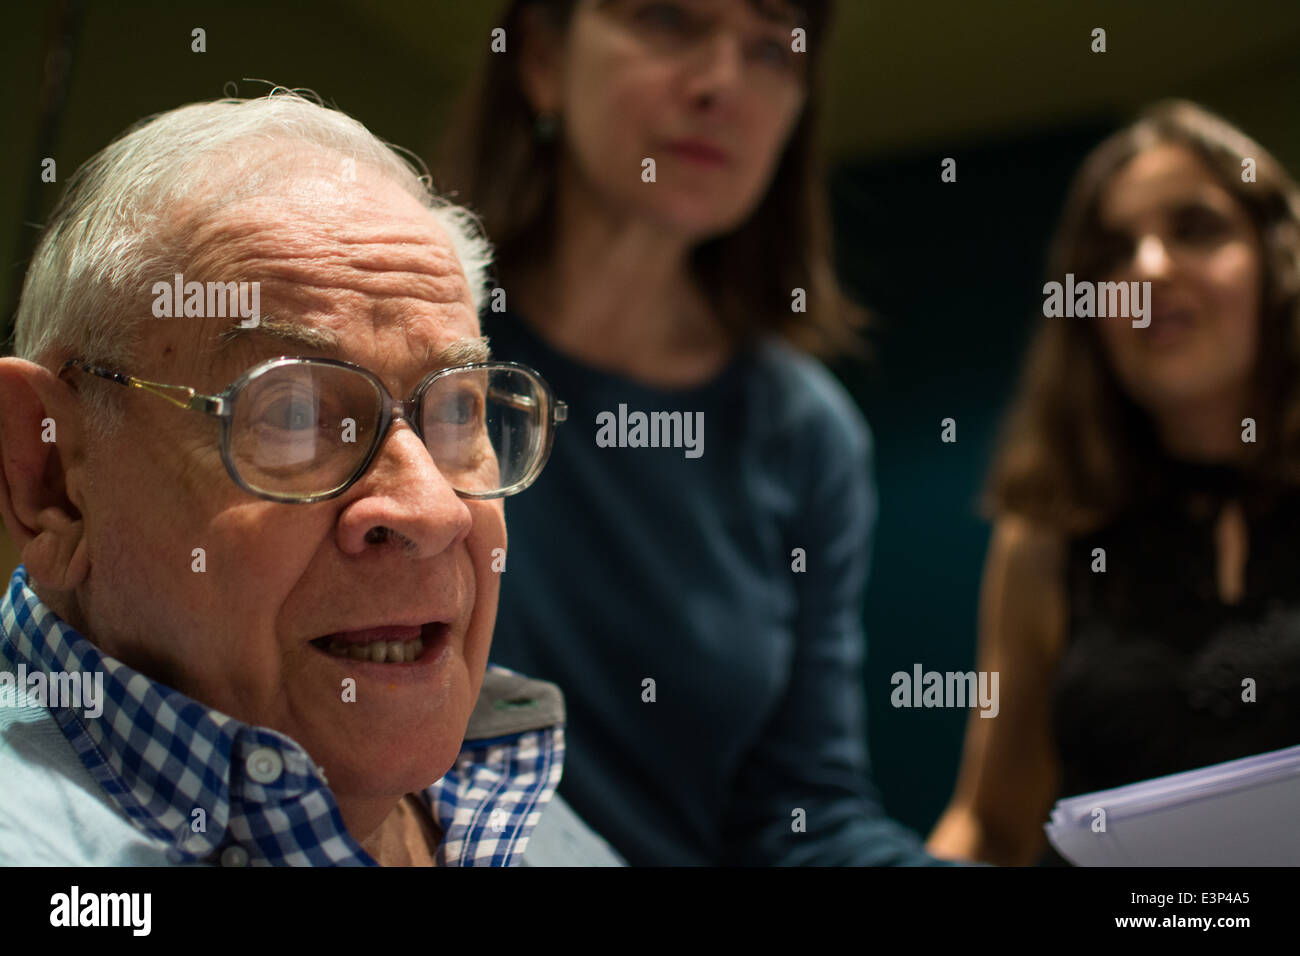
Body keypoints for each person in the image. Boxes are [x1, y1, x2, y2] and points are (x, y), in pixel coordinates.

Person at [0, 90, 621, 866]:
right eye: (292, 415)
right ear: (53, 476)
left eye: (458, 413)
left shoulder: (524, 803)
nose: (433, 510)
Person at [437, 0, 941, 864]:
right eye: (668, 20)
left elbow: (803, 816)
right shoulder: (407, 342)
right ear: (543, 59)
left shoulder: (807, 434)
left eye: (772, 48)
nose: (722, 84)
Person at [926, 100, 1300, 865]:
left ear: (1280, 259)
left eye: (1196, 228)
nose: (1150, 270)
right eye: (1113, 252)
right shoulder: (1048, 536)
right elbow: (991, 824)